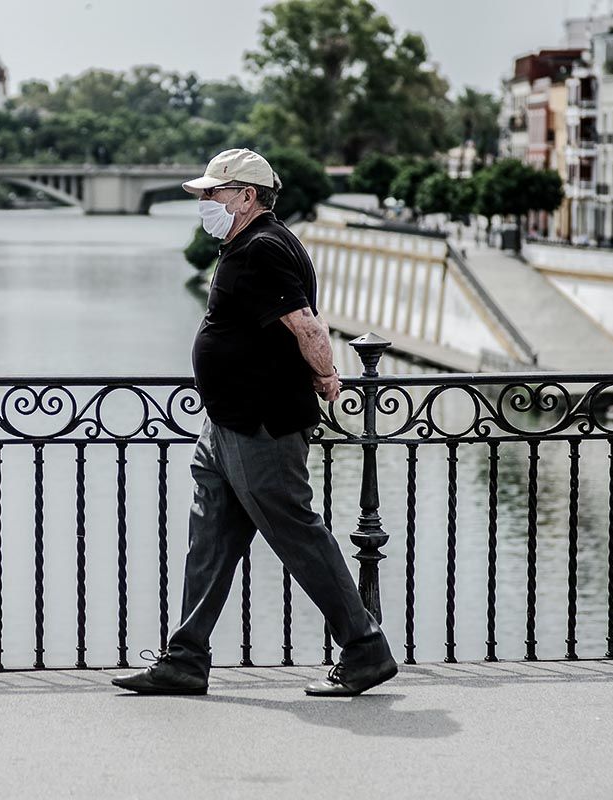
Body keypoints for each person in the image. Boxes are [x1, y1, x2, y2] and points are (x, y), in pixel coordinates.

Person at [112, 148, 396, 697]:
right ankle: (185, 658)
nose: (203, 203)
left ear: (245, 195)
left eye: (212, 194)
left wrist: (328, 375)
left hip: (259, 425)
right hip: (227, 424)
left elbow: (308, 327)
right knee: (211, 538)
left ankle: (365, 649)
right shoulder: (250, 244)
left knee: (295, 532)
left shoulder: (262, 249)